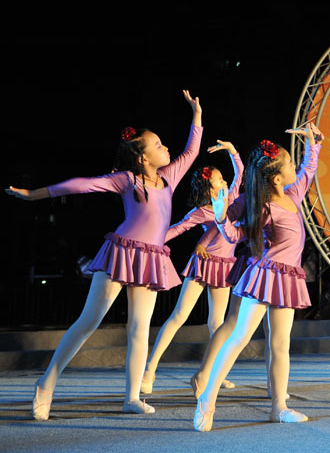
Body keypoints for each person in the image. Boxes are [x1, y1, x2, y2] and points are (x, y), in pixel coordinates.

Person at [7, 91, 202, 420]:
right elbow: (81, 184)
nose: (165, 148)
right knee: (90, 320)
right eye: (157, 145)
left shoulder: (169, 177)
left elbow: (191, 151)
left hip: (151, 258)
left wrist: (196, 115)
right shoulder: (127, 180)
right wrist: (33, 194)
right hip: (121, 253)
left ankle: (132, 396)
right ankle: (46, 383)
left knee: (140, 327)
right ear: (143, 158)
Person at [194, 125, 322, 431]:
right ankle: (207, 399)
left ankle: (279, 407)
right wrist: (221, 218)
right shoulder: (263, 207)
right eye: (289, 163)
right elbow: (236, 235)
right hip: (265, 275)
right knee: (240, 336)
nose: (294, 166)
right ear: (276, 178)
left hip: (288, 278)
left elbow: (308, 170)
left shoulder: (293, 193)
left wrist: (313, 144)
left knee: (280, 343)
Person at [141, 141, 243, 394]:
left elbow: (239, 173)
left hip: (224, 267)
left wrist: (232, 151)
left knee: (217, 323)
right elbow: (177, 229)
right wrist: (150, 239)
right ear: (210, 188)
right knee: (179, 315)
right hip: (203, 264)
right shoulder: (200, 212)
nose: (225, 181)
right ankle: (149, 370)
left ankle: (213, 372)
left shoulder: (232, 200)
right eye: (220, 179)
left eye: (223, 178)